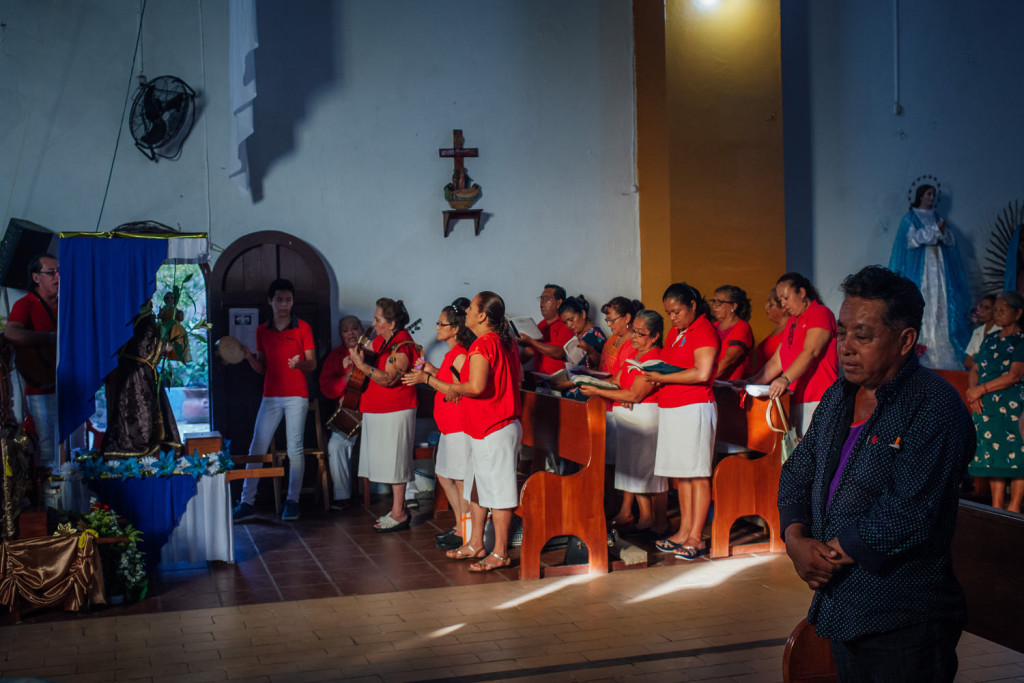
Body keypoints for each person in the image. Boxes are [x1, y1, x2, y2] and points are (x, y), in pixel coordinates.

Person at [778, 265, 974, 682]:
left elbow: (908, 514)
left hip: (903, 614)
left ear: (905, 340)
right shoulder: (838, 397)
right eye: (843, 332)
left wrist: (824, 556)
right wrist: (796, 541)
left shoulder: (933, 407)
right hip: (842, 602)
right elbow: (797, 471)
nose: (846, 347)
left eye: (863, 336)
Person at [435, 291, 522, 572]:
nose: (467, 313)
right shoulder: (501, 341)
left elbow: (476, 387)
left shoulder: (484, 344)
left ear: (483, 316)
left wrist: (445, 385)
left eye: (471, 308)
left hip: (495, 426)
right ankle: (475, 542)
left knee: (498, 492)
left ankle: (500, 551)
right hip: (483, 426)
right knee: (475, 488)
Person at [645, 283, 719, 560]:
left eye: (676, 311)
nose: (673, 318)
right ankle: (683, 530)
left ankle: (696, 537)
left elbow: (701, 373)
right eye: (668, 313)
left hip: (695, 407)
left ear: (692, 305)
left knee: (698, 474)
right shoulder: (678, 333)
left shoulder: (704, 330)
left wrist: (662, 378)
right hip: (673, 407)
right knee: (683, 474)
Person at [233, 279, 317, 522]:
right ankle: (247, 502)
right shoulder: (262, 330)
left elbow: (312, 363)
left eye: (288, 300)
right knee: (256, 447)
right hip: (270, 396)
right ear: (270, 301)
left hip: (296, 396)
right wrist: (249, 357)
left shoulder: (303, 328)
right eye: (279, 299)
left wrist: (299, 363)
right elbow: (262, 368)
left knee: (295, 449)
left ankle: (293, 501)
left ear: (293, 302)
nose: (284, 304)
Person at [579, 309, 668, 536]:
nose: (635, 337)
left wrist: (598, 391)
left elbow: (634, 395)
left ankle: (658, 523)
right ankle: (645, 518)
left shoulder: (655, 358)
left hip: (645, 417)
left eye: (640, 333)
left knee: (648, 472)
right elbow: (618, 381)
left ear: (655, 336)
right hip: (628, 418)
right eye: (634, 332)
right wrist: (588, 381)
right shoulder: (634, 355)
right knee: (633, 470)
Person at [402, 298, 475, 551]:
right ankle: (460, 524)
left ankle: (467, 530)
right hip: (447, 428)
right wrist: (429, 369)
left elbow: (456, 390)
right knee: (444, 475)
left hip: (459, 427)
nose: (437, 328)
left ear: (455, 329)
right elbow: (445, 378)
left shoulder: (462, 355)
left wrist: (425, 377)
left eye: (441, 323)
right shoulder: (452, 355)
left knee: (462, 480)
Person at [350, 298, 421, 532]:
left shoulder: (404, 346)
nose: (373, 322)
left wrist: (362, 366)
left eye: (378, 319)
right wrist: (353, 354)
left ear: (392, 324)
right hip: (378, 410)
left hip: (396, 410)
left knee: (396, 462)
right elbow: (366, 349)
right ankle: (397, 509)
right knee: (388, 462)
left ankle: (399, 512)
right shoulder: (383, 340)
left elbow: (390, 379)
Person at [742, 273, 839, 437]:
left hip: (818, 399)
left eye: (786, 298)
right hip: (794, 399)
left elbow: (811, 351)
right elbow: (776, 362)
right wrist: (750, 383)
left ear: (801, 293)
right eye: (780, 300)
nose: (783, 304)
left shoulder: (820, 313)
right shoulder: (792, 322)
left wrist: (785, 379)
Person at [889, 183, 972, 369]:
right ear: (920, 196)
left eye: (934, 194)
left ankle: (943, 348)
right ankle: (923, 349)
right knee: (923, 301)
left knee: (941, 304)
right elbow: (911, 240)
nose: (932, 197)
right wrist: (935, 230)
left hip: (939, 268)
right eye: (928, 194)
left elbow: (950, 240)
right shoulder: (910, 217)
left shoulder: (937, 216)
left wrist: (941, 231)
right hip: (921, 270)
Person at [965, 291, 1024, 512]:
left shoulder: (1021, 341)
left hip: (1013, 407)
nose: (997, 314)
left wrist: (980, 389)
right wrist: (973, 394)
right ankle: (997, 506)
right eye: (996, 309)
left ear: (1018, 313)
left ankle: (1015, 507)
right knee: (995, 455)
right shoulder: (990, 339)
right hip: (987, 406)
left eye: (1002, 309)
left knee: (1018, 455)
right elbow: (975, 368)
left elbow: (1014, 375)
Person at [100, 302, 182, 458]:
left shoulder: (140, 316)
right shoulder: (140, 318)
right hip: (136, 374)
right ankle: (137, 448)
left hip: (139, 371)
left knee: (148, 410)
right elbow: (143, 347)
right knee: (138, 412)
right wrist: (164, 347)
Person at [4, 254, 60, 468]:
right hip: (42, 389)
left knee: (71, 444)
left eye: (58, 271)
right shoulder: (25, 303)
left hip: (69, 385)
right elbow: (11, 333)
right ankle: (50, 499)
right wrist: (50, 338)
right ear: (36, 278)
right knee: (48, 448)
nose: (57, 276)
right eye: (51, 272)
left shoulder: (66, 303)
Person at [318, 315, 365, 509]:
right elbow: (326, 388)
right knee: (336, 445)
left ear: (361, 330)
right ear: (341, 335)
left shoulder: (372, 351)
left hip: (374, 410)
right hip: (349, 410)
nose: (351, 333)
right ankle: (342, 496)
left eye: (354, 328)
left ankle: (407, 493)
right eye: (346, 330)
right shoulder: (336, 357)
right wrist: (344, 380)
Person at [554, 295, 606, 401]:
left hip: (586, 398)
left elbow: (593, 371)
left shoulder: (594, 335)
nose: (569, 325)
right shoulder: (578, 337)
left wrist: (566, 384)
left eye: (571, 319)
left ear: (583, 314)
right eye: (565, 322)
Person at [517, 284, 574, 376]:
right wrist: (512, 362)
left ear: (559, 303)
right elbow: (530, 351)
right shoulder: (541, 325)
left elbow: (559, 353)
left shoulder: (566, 324)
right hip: (540, 383)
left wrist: (531, 341)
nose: (542, 303)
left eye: (546, 298)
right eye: (541, 298)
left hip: (559, 384)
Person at [709, 285, 754, 381]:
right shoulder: (713, 326)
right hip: (714, 384)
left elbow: (729, 360)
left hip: (732, 387)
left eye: (719, 302)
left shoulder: (742, 327)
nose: (714, 306)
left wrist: (705, 379)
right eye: (714, 301)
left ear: (733, 306)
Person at [754, 287, 788, 373]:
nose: (766, 308)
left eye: (771, 304)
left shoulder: (790, 329)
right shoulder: (779, 329)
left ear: (783, 307)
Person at [963, 294, 999, 371]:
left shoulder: (1000, 331)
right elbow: (966, 362)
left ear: (995, 311)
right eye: (981, 306)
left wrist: (976, 357)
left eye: (986, 308)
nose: (981, 311)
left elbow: (995, 362)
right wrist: (983, 359)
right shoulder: (977, 332)